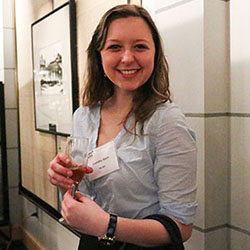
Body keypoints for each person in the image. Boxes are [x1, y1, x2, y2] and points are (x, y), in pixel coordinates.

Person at [48, 4, 197, 249]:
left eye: (140, 46)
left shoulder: (167, 122)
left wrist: (107, 225)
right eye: (115, 47)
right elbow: (83, 195)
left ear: (155, 54)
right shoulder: (83, 117)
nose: (127, 58)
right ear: (99, 55)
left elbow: (180, 226)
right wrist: (63, 176)